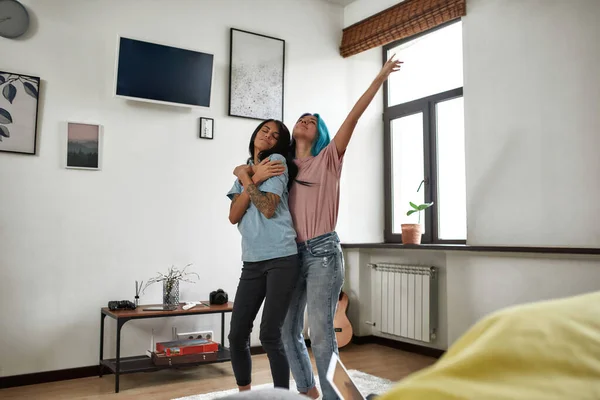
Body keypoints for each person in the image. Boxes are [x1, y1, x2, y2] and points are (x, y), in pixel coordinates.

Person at [282, 55, 403, 399]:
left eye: (313, 120)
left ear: (320, 133)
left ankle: (341, 398)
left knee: (321, 332)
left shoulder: (329, 158)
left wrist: (380, 77)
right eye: (302, 118)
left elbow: (355, 114)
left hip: (322, 253)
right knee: (286, 327)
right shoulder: (283, 167)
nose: (306, 120)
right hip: (290, 254)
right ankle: (308, 391)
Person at [227, 119, 300, 391]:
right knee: (236, 335)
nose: (268, 136)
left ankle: (282, 395)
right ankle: (244, 392)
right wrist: (253, 177)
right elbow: (234, 215)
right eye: (264, 130)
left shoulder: (276, 162)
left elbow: (268, 208)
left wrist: (246, 178)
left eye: (275, 135)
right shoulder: (251, 167)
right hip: (253, 260)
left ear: (280, 143)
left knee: (269, 334)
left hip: (282, 257)